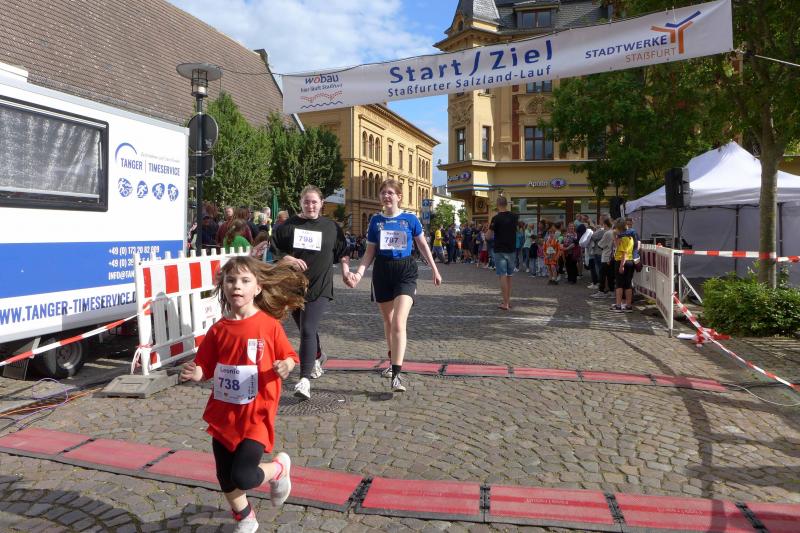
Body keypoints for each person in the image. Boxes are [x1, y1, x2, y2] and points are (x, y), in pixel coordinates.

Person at [179, 256, 307, 533]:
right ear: (223, 286)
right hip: (224, 414)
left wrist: (285, 365)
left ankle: (278, 469)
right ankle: (246, 516)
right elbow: (205, 366)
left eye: (245, 280)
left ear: (258, 288)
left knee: (244, 476)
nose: (237, 286)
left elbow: (289, 356)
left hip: (256, 414)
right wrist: (195, 373)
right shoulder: (218, 330)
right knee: (225, 476)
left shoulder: (268, 325)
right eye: (231, 280)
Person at [342, 179, 441, 392]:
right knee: (388, 321)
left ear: (399, 197)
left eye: (390, 193)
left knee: (398, 322)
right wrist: (359, 273)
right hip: (382, 272)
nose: (386, 196)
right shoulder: (375, 221)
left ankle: (396, 374)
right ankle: (391, 358)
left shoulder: (410, 219)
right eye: (383, 193)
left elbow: (422, 245)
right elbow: (370, 252)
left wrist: (434, 268)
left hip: (405, 271)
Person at [272, 185, 349, 400]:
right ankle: (318, 356)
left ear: (322, 203)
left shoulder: (331, 227)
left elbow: (343, 252)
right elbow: (275, 250)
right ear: (301, 203)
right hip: (294, 286)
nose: (310, 205)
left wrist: (346, 272)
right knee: (306, 328)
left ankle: (304, 380)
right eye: (306, 202)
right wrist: (289, 259)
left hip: (320, 285)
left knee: (307, 328)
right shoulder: (289, 226)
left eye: (314, 202)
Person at [488, 196, 518, 310]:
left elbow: (488, 236)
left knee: (502, 275)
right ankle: (507, 301)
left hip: (500, 249)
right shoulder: (514, 217)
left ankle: (505, 303)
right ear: (506, 204)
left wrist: (487, 235)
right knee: (509, 276)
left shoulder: (495, 218)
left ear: (497, 204)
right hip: (511, 249)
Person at [611, 219, 635, 312]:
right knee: (628, 285)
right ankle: (628, 306)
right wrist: (615, 237)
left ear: (619, 228)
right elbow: (618, 246)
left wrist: (621, 265)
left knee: (619, 285)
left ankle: (618, 305)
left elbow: (623, 252)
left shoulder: (623, 238)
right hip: (630, 261)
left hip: (622, 261)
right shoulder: (630, 237)